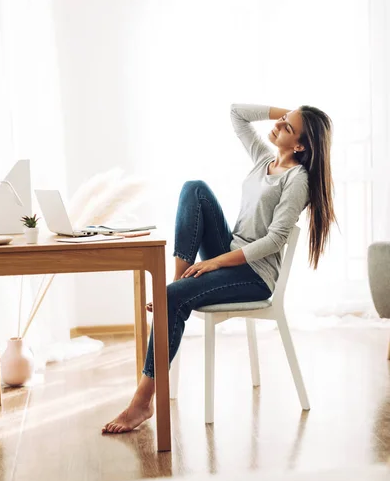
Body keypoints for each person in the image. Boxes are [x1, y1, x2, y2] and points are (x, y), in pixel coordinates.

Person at [102, 103, 336, 434]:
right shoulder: (262, 160)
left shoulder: (297, 181)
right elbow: (237, 114)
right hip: (231, 252)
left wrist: (214, 262)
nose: (279, 125)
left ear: (300, 145)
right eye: (282, 120)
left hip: (255, 276)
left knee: (171, 300)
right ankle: (174, 289)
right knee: (194, 188)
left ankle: (142, 401)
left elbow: (272, 241)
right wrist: (289, 113)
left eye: (287, 127)